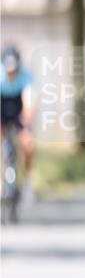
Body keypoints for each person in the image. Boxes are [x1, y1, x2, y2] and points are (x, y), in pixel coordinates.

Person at [0, 45, 35, 198]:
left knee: (28, 144)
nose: (10, 72)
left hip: (18, 110)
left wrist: (26, 123)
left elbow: (28, 101)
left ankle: (27, 180)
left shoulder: (25, 76)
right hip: (2, 107)